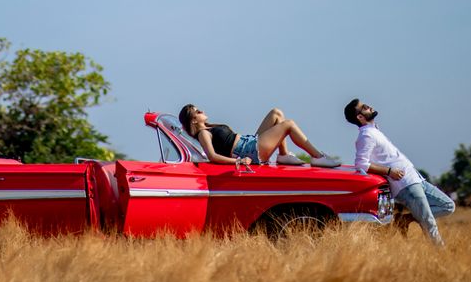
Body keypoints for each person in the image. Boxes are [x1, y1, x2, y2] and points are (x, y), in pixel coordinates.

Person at [344, 98, 455, 245]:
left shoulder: (374, 131)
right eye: (365, 107)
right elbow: (361, 164)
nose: (370, 106)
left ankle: (404, 220)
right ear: (360, 117)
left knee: (448, 206)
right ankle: (442, 255)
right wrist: (389, 171)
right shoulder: (366, 135)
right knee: (429, 222)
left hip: (416, 179)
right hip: (405, 184)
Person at [178, 104, 341, 168]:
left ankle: (283, 155)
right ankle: (318, 157)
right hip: (248, 151)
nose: (203, 111)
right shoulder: (203, 134)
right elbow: (213, 156)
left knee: (276, 113)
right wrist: (238, 161)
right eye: (198, 111)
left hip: (249, 142)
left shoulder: (209, 128)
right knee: (288, 124)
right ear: (193, 120)